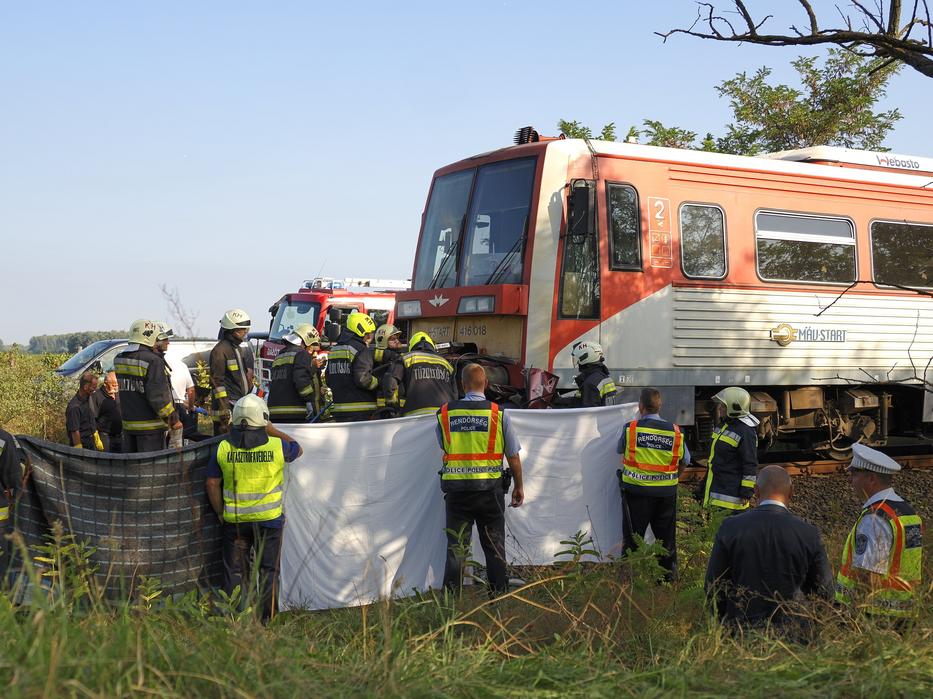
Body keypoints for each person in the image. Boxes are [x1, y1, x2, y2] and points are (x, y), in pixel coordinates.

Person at [205, 394, 303, 621]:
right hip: (269, 520)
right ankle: (266, 619)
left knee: (235, 571)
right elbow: (298, 449)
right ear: (263, 419)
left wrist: (220, 512)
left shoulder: (223, 448)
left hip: (235, 521)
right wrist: (271, 430)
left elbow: (212, 483)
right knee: (268, 571)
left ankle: (235, 616)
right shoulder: (278, 447)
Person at [705, 465, 834, 630]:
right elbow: (825, 590)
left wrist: (725, 622)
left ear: (756, 491)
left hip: (740, 630)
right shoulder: (808, 534)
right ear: (792, 491)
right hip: (794, 633)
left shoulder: (730, 527)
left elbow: (713, 585)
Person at [436, 363, 524, 596]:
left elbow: (443, 444)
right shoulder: (498, 413)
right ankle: (499, 598)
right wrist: (519, 486)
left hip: (457, 493)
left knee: (456, 550)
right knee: (495, 548)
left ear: (462, 385)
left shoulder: (445, 413)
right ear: (485, 384)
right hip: (490, 492)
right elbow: (513, 455)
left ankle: (449, 604)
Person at [835, 443, 923, 620]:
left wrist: (854, 615)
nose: (850, 480)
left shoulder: (875, 518)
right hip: (905, 614)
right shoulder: (908, 513)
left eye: (854, 474)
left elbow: (869, 574)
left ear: (872, 479)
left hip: (874, 616)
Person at [616, 387, 689, 580]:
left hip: (636, 494)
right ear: (659, 406)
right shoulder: (675, 431)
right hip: (665, 495)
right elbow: (686, 460)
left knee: (632, 540)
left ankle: (628, 582)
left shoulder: (631, 429)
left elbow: (619, 449)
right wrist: (673, 478)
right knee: (666, 542)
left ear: (640, 406)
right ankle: (667, 582)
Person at [115, 319, 182, 453]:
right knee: (151, 470)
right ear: (150, 337)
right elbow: (158, 398)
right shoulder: (153, 361)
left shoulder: (119, 358)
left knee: (132, 470)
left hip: (128, 427)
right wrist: (173, 420)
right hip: (151, 430)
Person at [703, 386, 759, 512]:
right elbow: (714, 461)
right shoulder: (724, 426)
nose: (720, 409)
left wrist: (747, 491)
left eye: (723, 406)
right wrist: (703, 487)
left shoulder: (746, 431)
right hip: (717, 491)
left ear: (734, 408)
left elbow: (750, 463)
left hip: (732, 499)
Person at [383, 331, 457, 417]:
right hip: (443, 415)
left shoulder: (407, 358)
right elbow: (455, 393)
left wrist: (392, 403)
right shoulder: (446, 363)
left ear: (412, 345)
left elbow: (390, 381)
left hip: (414, 418)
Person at [325, 311, 379, 422]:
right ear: (363, 332)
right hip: (361, 411)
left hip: (339, 411)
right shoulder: (361, 350)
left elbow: (328, 379)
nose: (370, 337)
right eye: (370, 333)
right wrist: (378, 382)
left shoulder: (334, 350)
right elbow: (363, 379)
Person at [267, 324, 326, 423]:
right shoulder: (302, 354)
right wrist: (310, 399)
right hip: (294, 412)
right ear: (306, 342)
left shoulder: (280, 355)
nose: (312, 351)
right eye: (311, 346)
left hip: (274, 412)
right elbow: (301, 381)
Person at [210, 309, 254, 435]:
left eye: (247, 329)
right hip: (226, 410)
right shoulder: (220, 351)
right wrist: (225, 408)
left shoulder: (238, 350)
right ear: (231, 330)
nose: (245, 332)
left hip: (238, 405)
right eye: (242, 329)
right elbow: (217, 382)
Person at [156, 324, 202, 443]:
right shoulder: (180, 365)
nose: (168, 343)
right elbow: (191, 389)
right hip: (177, 408)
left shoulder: (157, 361)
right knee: (178, 441)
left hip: (163, 410)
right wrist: (191, 407)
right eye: (166, 340)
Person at [556, 341, 619, 407]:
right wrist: (559, 401)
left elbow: (587, 413)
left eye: (577, 358)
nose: (577, 362)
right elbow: (581, 400)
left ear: (585, 357)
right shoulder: (603, 376)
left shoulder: (590, 383)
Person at [357, 323, 403, 410]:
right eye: (393, 339)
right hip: (384, 410)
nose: (397, 341)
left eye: (397, 338)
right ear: (383, 340)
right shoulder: (377, 362)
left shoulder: (399, 358)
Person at [66, 371, 103, 450]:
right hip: (82, 444)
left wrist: (96, 437)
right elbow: (75, 432)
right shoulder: (74, 407)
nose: (95, 390)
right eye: (93, 387)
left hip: (91, 442)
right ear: (86, 387)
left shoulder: (88, 400)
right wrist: (79, 450)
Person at [89, 371, 123, 452]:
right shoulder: (96, 396)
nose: (116, 387)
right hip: (105, 437)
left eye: (118, 385)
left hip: (121, 436)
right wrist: (96, 438)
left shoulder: (120, 393)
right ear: (105, 384)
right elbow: (92, 418)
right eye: (114, 385)